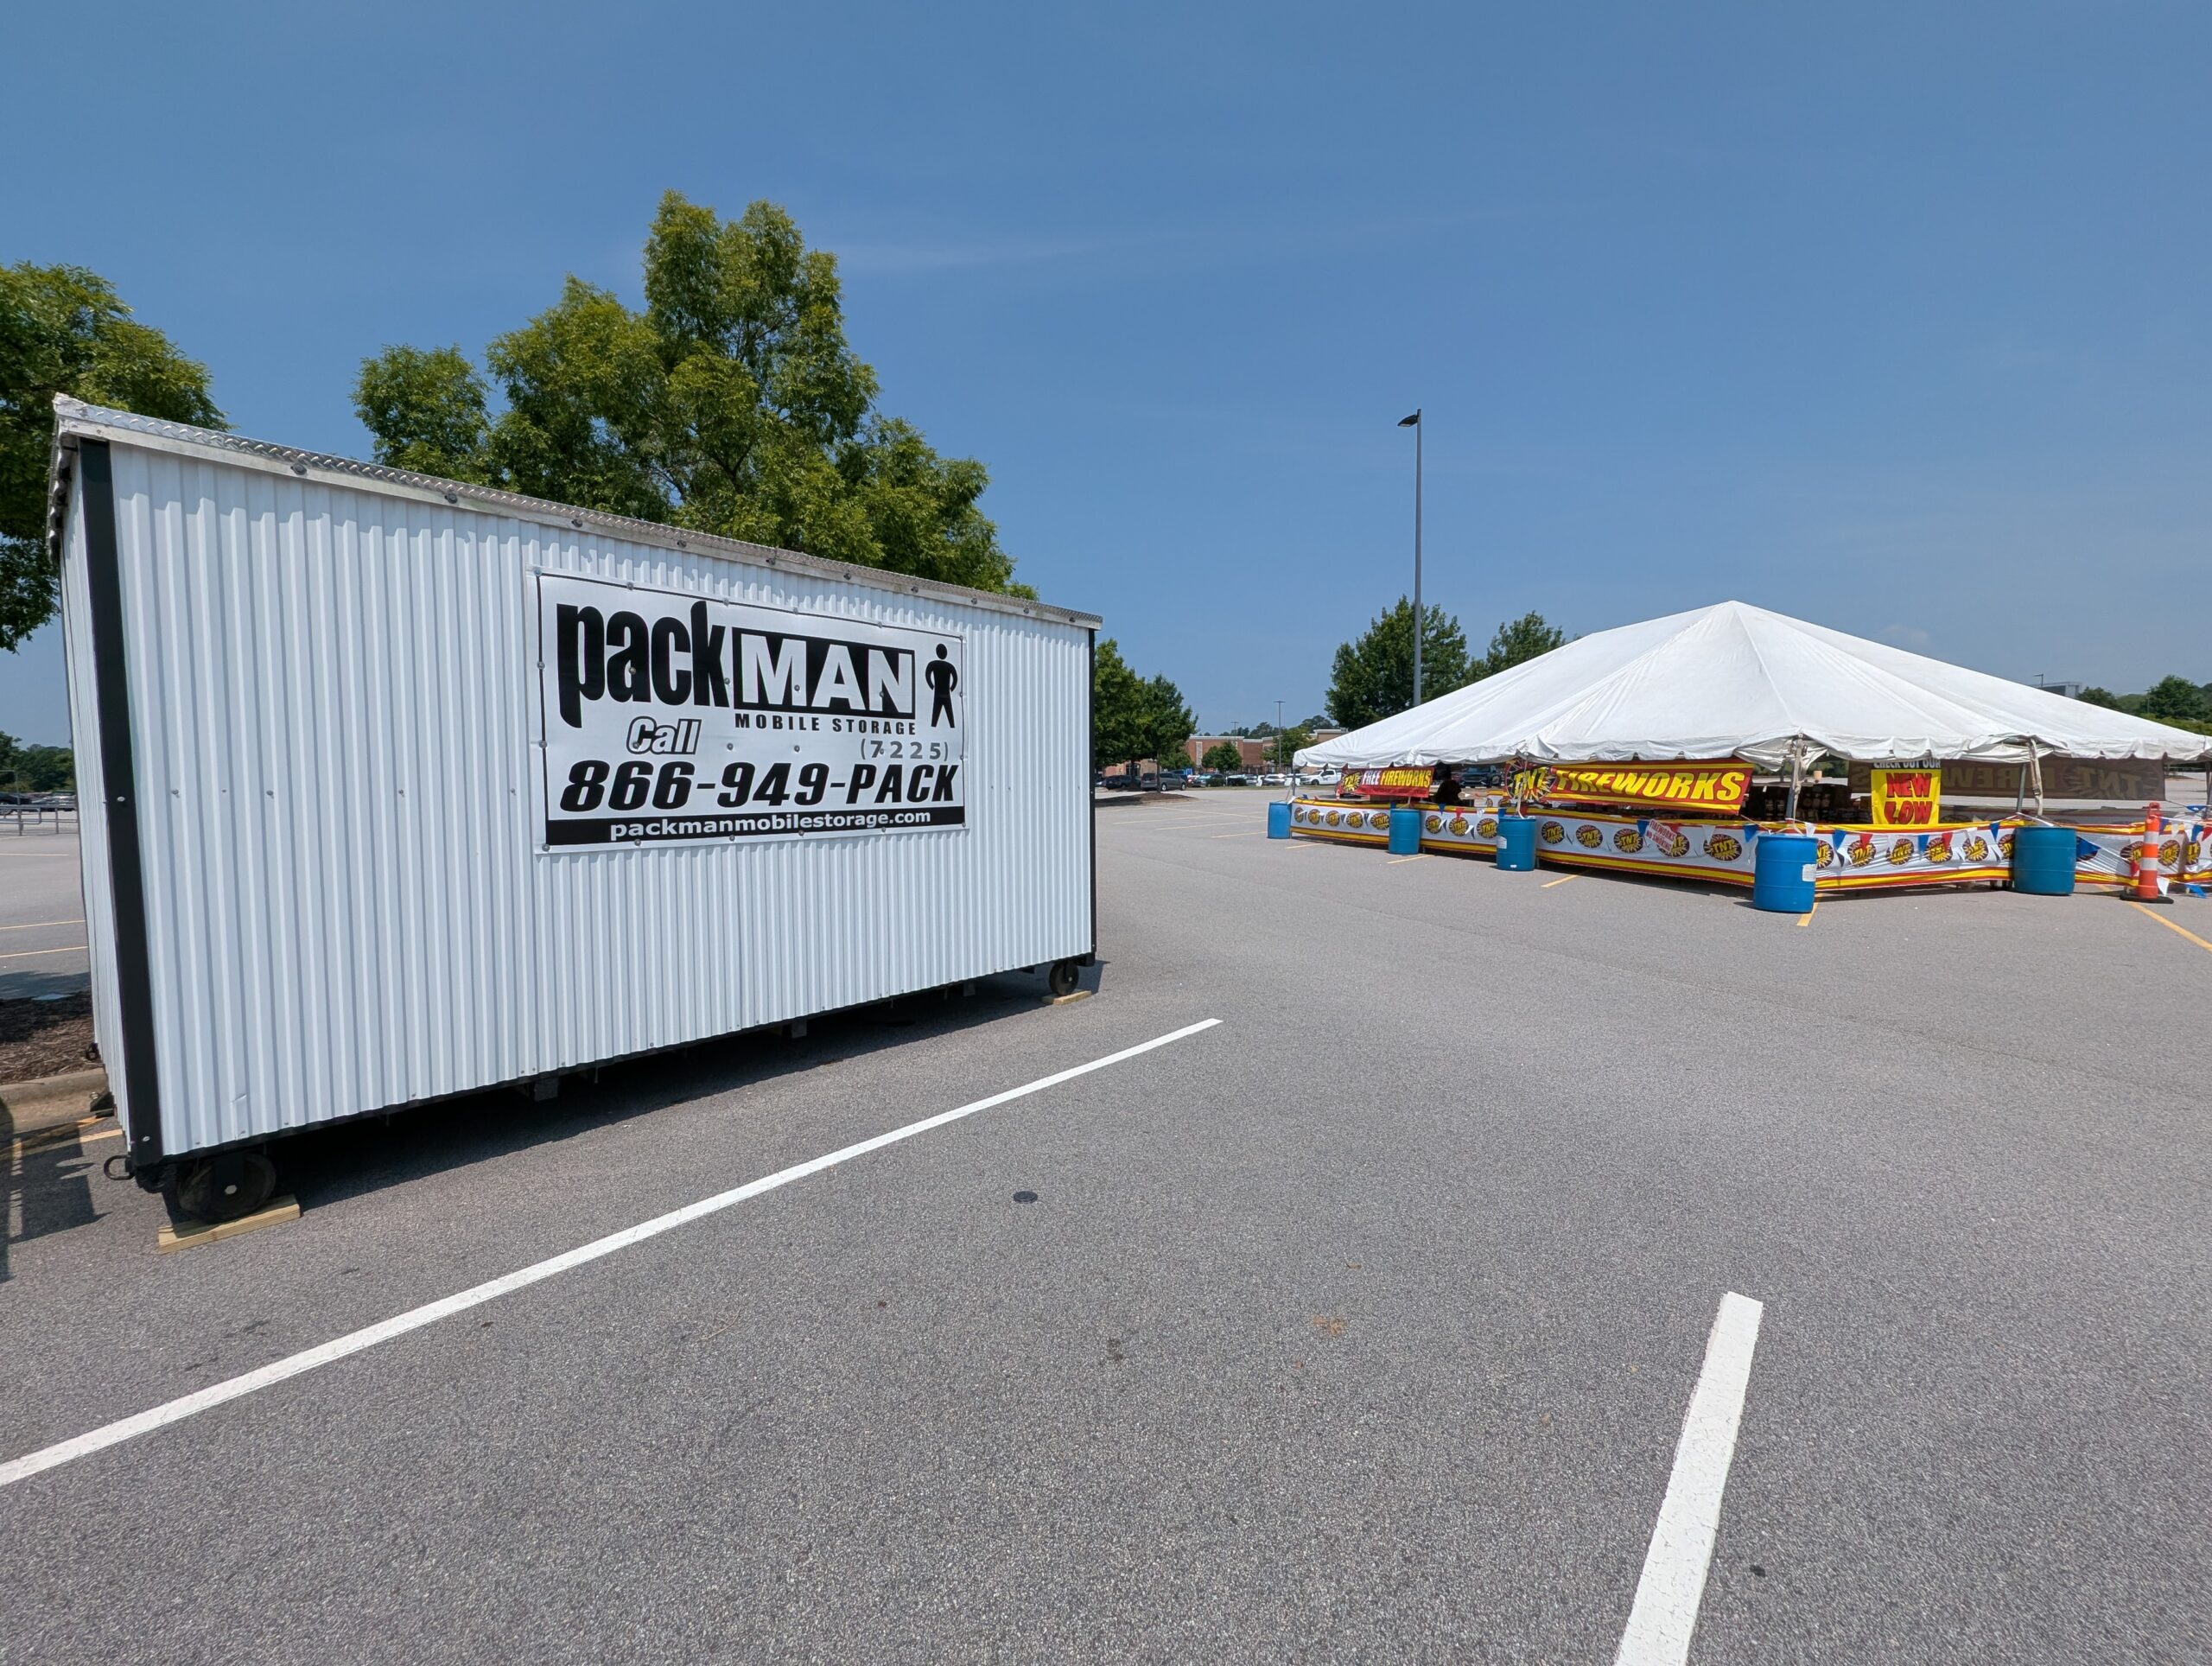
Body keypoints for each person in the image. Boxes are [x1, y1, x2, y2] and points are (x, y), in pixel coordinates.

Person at [925, 644, 958, 727]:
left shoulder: (933, 664)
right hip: (946, 694)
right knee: (950, 717)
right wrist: (952, 688)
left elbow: (927, 674)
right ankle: (951, 726)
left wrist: (931, 685)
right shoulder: (950, 666)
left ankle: (935, 726)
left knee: (935, 717)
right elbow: (955, 678)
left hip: (938, 693)